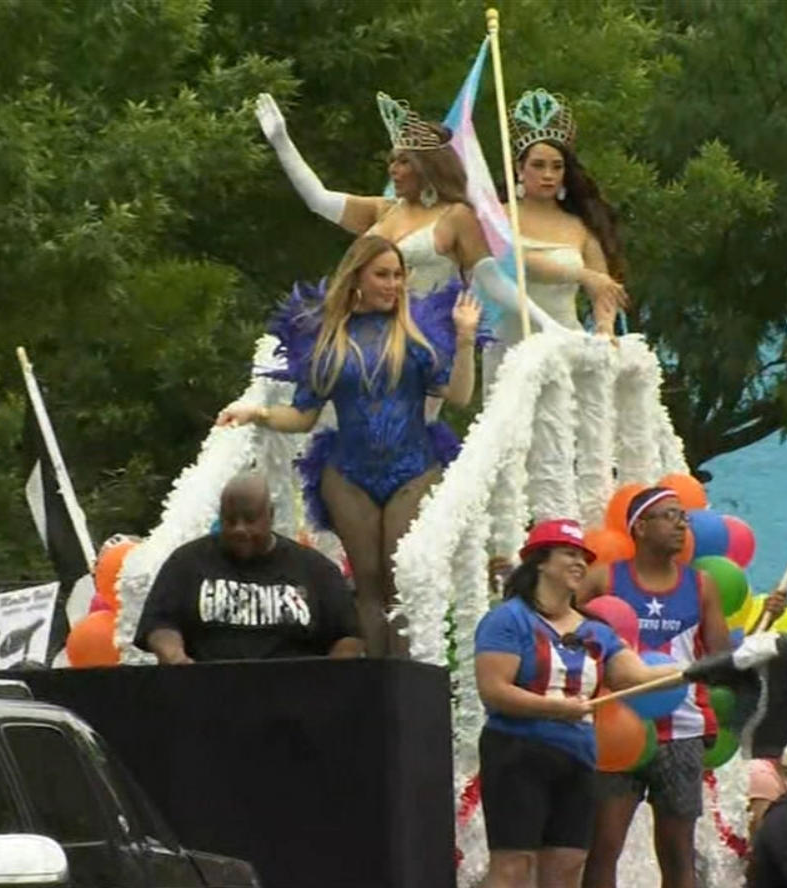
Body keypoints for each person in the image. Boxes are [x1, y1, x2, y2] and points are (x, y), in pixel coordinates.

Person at [219, 236, 479, 659]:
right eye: (382, 275)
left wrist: (465, 340)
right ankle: (376, 683)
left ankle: (407, 681)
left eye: (398, 275)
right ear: (357, 277)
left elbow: (460, 395)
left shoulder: (415, 334)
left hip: (412, 468)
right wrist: (256, 414)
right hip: (349, 474)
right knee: (369, 579)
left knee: (401, 575)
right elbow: (302, 415)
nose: (393, 284)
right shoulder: (329, 341)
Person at [576, 486, 787, 888]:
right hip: (618, 730)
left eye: (684, 518)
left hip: (682, 731)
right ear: (639, 526)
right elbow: (559, 624)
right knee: (604, 848)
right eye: (670, 516)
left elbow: (721, 659)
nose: (681, 525)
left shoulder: (701, 585)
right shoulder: (604, 578)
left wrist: (764, 623)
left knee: (677, 854)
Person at [474, 519, 683, 888]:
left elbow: (636, 676)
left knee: (568, 865)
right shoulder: (508, 620)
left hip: (578, 757)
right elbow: (494, 690)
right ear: (540, 561)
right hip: (517, 752)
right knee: (514, 863)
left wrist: (698, 670)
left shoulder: (596, 630)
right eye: (569, 554)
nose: (580, 564)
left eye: (584, 557)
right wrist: (552, 708)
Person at [255, 91, 566, 332]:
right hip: (363, 332)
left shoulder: (456, 216)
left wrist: (546, 322)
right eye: (393, 161)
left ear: (427, 168)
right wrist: (282, 142)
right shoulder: (383, 209)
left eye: (404, 162)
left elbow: (493, 280)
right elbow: (318, 200)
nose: (394, 170)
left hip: (425, 341)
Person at [483, 89, 630, 396]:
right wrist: (579, 274)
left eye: (557, 166)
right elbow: (513, 258)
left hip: (566, 346)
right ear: (519, 169)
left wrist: (604, 326)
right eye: (538, 165)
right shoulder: (497, 218)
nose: (548, 175)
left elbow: (602, 286)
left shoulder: (579, 226)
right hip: (510, 347)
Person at [133, 474, 364, 663]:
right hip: (208, 693)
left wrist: (330, 678)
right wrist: (174, 655)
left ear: (270, 515)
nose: (239, 530)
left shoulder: (315, 569)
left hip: (294, 696)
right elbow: (159, 623)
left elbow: (348, 636)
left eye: (250, 520)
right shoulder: (187, 562)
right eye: (230, 520)